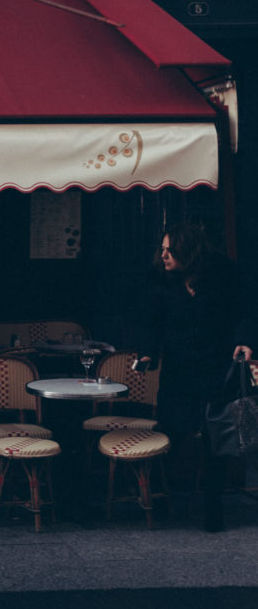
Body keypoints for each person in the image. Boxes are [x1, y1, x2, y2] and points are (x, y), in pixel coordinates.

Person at [134, 223, 254, 532]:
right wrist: (148, 352)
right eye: (162, 249)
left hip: (218, 369)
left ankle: (213, 506)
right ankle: (165, 499)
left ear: (189, 250)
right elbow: (151, 322)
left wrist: (245, 339)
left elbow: (245, 312)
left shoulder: (224, 277)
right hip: (178, 371)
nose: (163, 254)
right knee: (172, 432)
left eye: (169, 249)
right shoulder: (161, 280)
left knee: (216, 437)